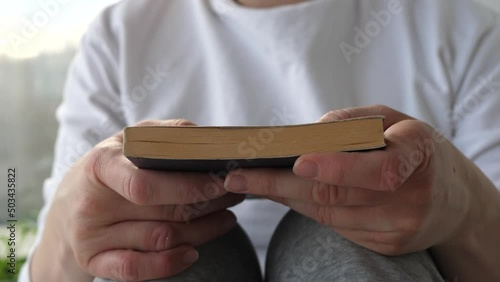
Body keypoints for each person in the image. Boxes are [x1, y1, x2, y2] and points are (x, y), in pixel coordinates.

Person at [20, 0, 500, 281]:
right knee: (165, 255)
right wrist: (67, 226)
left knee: (346, 244)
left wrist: (465, 210)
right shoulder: (121, 34)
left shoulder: (462, 26)